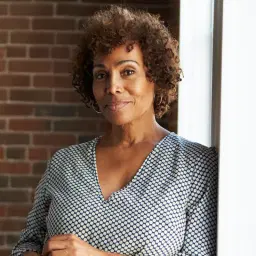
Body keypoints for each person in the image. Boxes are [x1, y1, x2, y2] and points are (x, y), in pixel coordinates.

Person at [11, 4, 218, 256]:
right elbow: (27, 243)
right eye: (101, 75)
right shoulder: (64, 163)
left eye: (127, 71)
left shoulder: (196, 166)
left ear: (156, 77)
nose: (112, 86)